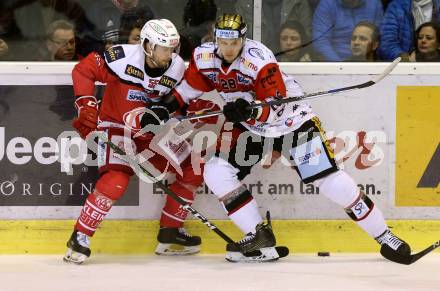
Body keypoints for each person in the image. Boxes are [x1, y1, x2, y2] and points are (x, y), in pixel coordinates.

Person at [140, 14, 412, 264]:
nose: (229, 48)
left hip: (292, 121)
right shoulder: (203, 57)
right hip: (251, 128)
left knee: (330, 182)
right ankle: (258, 236)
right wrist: (163, 108)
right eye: (223, 42)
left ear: (243, 39)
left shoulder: (260, 59)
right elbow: (187, 91)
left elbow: (275, 106)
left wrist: (249, 107)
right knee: (216, 171)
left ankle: (384, 236)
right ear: (215, 40)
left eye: (234, 42)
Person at [64, 19, 203, 264]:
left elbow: (178, 100)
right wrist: (86, 105)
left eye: (173, 48)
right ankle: (80, 236)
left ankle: (169, 232)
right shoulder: (121, 57)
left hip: (150, 132)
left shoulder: (177, 67)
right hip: (117, 126)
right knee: (116, 178)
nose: (169, 54)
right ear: (148, 45)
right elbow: (83, 71)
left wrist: (184, 112)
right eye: (164, 48)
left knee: (193, 167)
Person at [312, 0, 383, 61]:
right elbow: (320, 42)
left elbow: (379, 40)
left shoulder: (374, 3)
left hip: (368, 62)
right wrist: (340, 65)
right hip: (337, 61)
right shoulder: (327, 4)